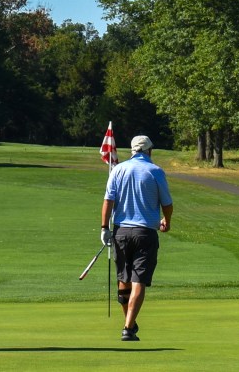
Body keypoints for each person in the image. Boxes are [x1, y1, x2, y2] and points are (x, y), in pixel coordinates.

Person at [102, 134, 172, 342]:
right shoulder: (156, 171)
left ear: (132, 151)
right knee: (139, 280)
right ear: (149, 150)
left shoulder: (118, 170)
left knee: (124, 279)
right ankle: (128, 327)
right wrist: (166, 221)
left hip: (120, 231)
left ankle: (129, 324)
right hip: (145, 233)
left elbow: (108, 201)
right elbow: (167, 203)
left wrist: (104, 228)